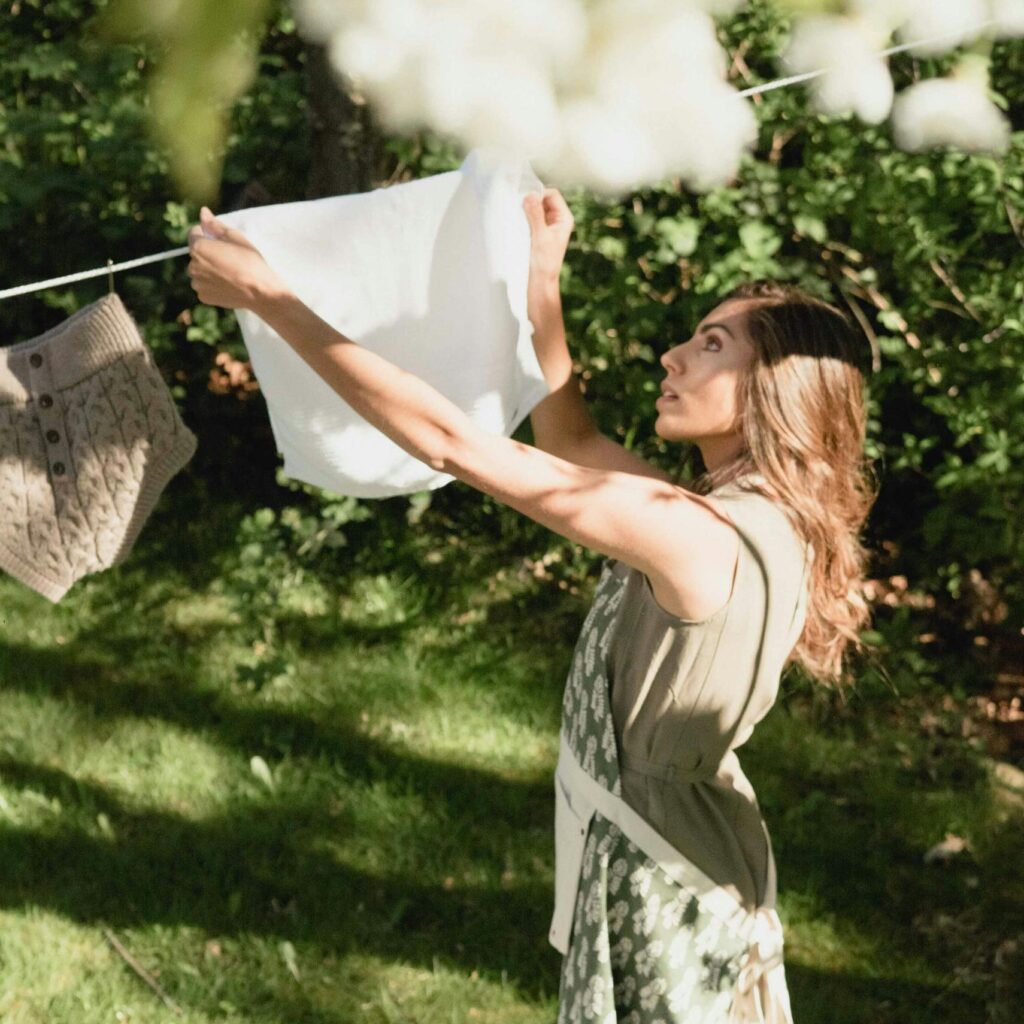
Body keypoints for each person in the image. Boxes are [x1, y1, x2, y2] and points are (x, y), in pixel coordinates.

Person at [187, 186, 877, 1023]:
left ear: (775, 387)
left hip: (668, 880)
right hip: (690, 847)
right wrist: (540, 279)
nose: (673, 356)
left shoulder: (692, 532)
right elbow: (573, 443)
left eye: (711, 344)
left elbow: (455, 446)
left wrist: (273, 298)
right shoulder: (744, 517)